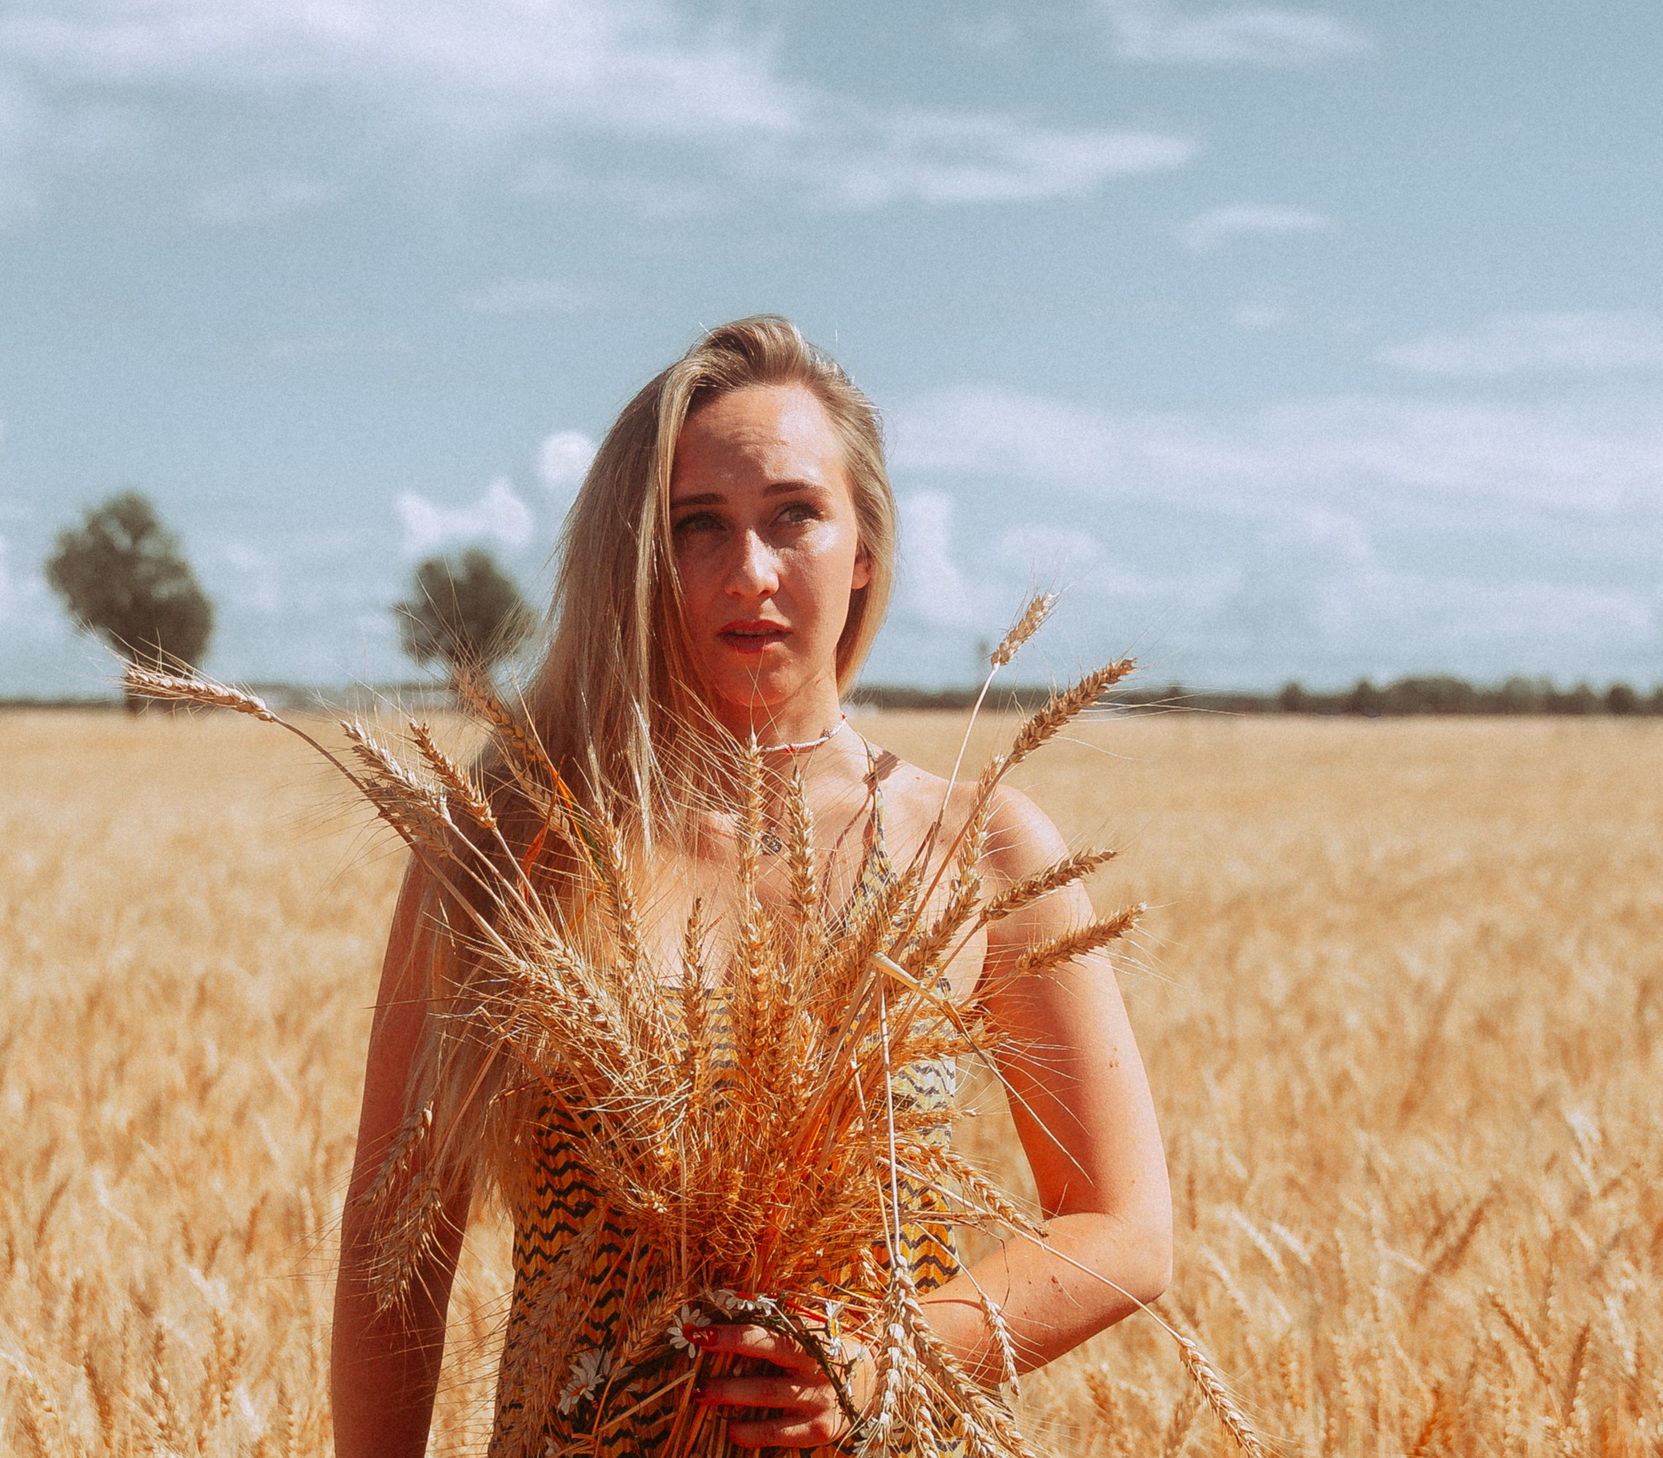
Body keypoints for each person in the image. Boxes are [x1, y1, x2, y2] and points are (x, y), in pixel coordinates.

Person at [333, 319, 1170, 1455]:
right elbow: (401, 1230)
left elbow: (1122, 1226)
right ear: (638, 556)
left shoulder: (979, 844)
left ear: (864, 543)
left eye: (795, 515)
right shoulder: (518, 842)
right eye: (697, 526)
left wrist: (887, 1361)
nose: (750, 571)